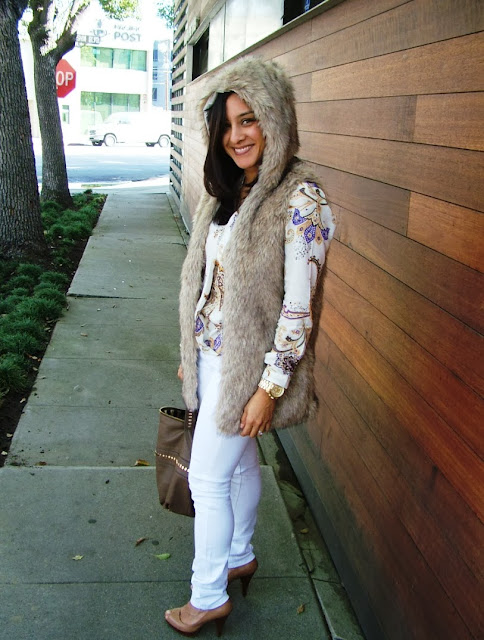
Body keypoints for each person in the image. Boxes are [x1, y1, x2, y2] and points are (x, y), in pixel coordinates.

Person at [165, 57, 335, 636]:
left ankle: (208, 595)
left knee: (206, 479)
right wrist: (190, 352)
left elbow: (298, 310)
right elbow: (206, 281)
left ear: (275, 118)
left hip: (248, 369)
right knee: (236, 466)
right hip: (210, 359)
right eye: (227, 124)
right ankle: (238, 555)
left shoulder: (302, 198)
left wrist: (269, 388)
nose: (237, 136)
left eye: (249, 119)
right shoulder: (227, 191)